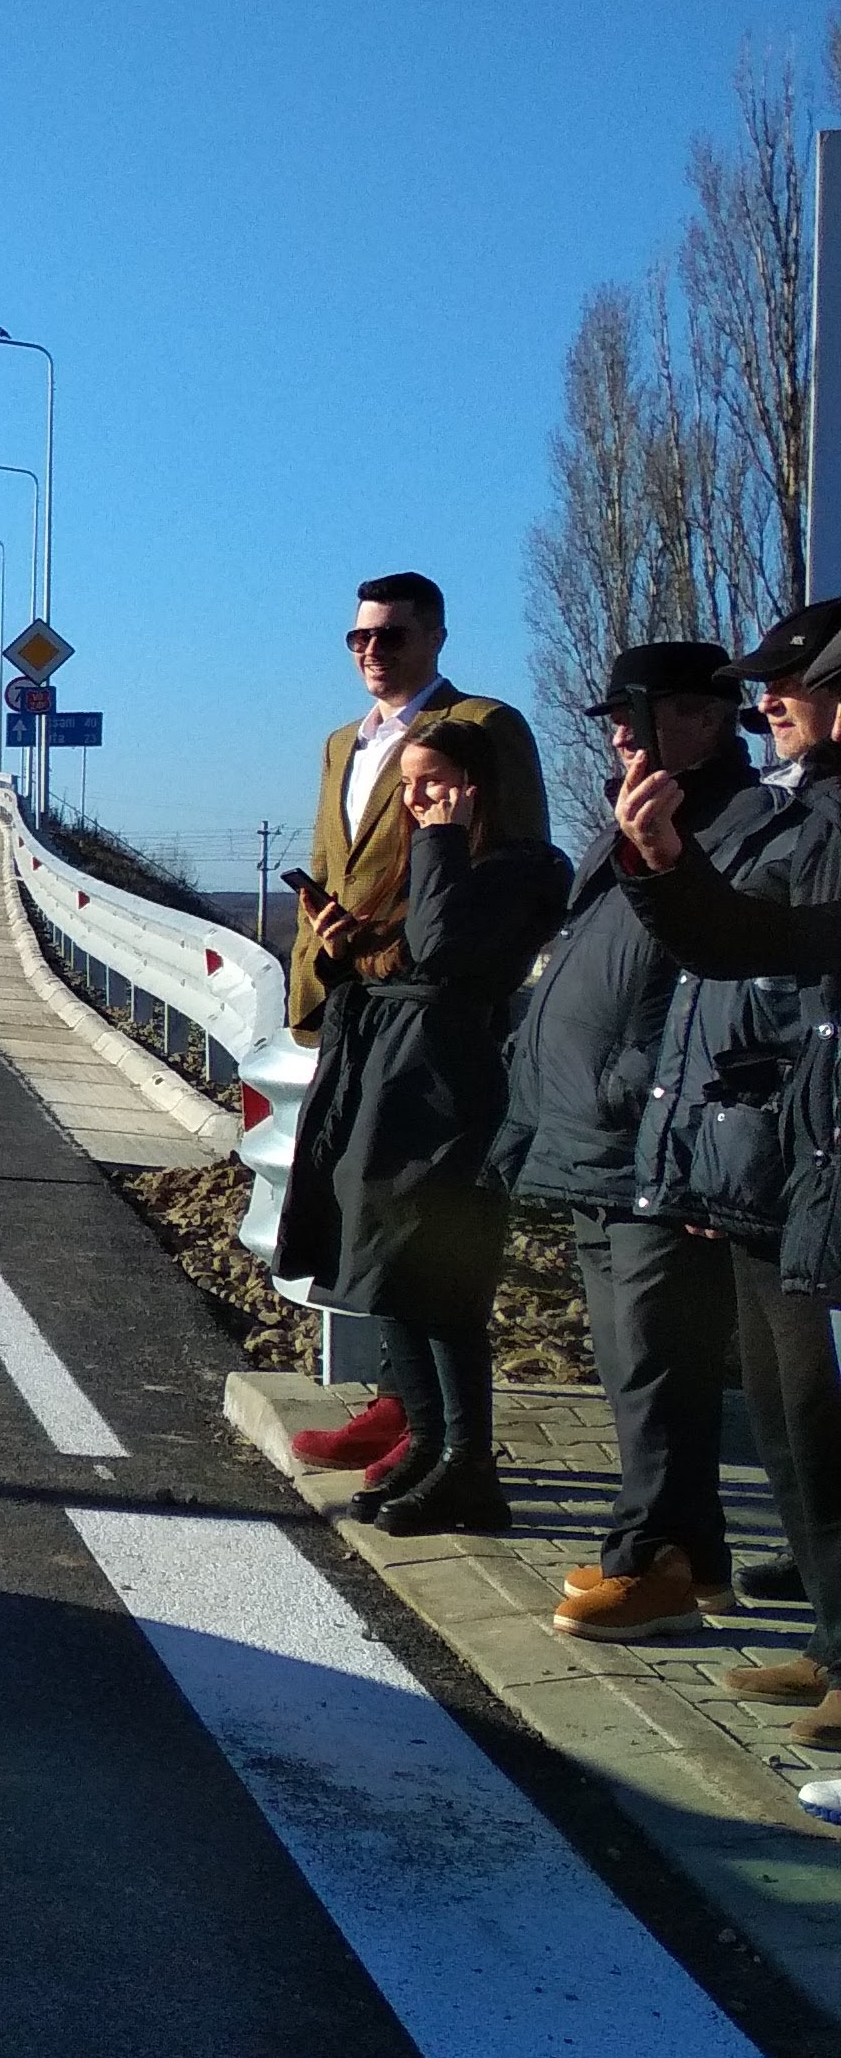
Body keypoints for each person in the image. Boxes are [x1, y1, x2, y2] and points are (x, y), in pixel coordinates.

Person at [484, 643, 758, 1629]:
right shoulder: (637, 817)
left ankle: (648, 1563)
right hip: (600, 1139)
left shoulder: (733, 823)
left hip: (659, 1141)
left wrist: (649, 1103)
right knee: (630, 1359)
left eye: (631, 716)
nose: (611, 733)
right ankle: (696, 1558)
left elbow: (723, 990)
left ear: (698, 719)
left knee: (653, 1363)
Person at [594, 597, 841, 1670]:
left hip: (811, 1159)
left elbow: (781, 961)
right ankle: (833, 1645)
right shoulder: (803, 811)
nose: (766, 702)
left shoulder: (823, 817)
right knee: (787, 1426)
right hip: (774, 1160)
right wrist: (656, 860)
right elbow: (737, 950)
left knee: (821, 1424)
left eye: (790, 685)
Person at [281, 569, 550, 1476]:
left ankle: (426, 1427)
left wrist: (430, 955)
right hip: (358, 1002)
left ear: (434, 636)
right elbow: (334, 862)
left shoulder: (482, 728)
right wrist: (319, 966)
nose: (371, 652)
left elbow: (505, 861)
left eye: (390, 636)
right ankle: (405, 1407)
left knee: (411, 1218)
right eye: (358, 637)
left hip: (435, 1006)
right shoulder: (340, 744)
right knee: (357, 1205)